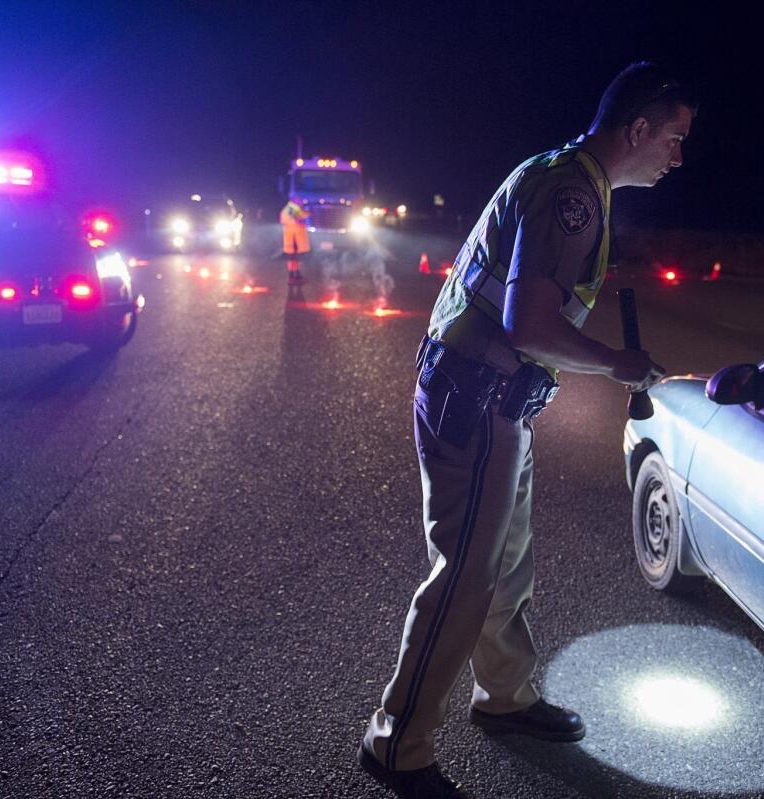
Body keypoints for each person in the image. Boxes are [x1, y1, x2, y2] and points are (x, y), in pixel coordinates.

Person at [359, 62, 697, 799]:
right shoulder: (572, 192)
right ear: (637, 129)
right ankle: (396, 741)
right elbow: (527, 323)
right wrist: (617, 363)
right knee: (466, 575)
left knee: (506, 565)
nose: (678, 157)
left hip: (497, 399)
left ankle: (505, 697)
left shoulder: (560, 173)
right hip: (477, 401)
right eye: (673, 138)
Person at [279, 196, 310, 286]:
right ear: (294, 201)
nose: (301, 202)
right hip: (294, 238)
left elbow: (284, 221)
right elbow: (298, 219)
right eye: (299, 200)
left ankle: (295, 276)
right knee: (294, 258)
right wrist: (303, 218)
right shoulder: (292, 209)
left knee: (294, 258)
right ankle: (293, 276)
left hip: (292, 238)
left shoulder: (290, 209)